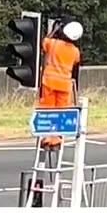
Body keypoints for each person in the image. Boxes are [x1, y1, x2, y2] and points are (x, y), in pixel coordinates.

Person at [37, 20, 83, 150]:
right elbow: (76, 61)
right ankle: (56, 139)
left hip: (49, 82)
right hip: (64, 85)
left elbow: (43, 42)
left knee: (48, 109)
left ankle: (47, 138)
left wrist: (54, 30)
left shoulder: (53, 44)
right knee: (61, 112)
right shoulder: (75, 51)